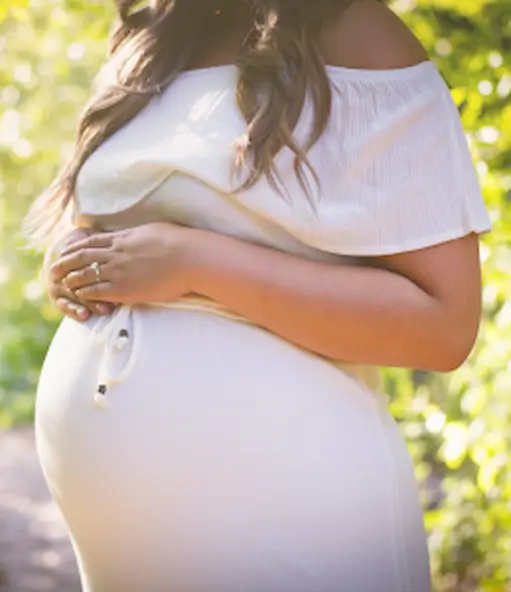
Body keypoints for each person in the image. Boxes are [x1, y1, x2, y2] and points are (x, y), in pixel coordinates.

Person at [26, 0, 491, 590]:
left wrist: (197, 261)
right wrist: (78, 258)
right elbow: (125, 214)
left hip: (299, 510)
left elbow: (443, 325)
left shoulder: (359, 35)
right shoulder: (155, 35)